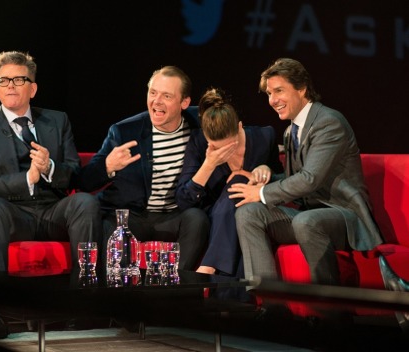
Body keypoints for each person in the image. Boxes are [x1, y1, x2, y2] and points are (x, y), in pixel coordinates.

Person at [0, 51, 102, 338]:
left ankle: (83, 306)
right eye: (4, 80)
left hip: (52, 211)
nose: (10, 85)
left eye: (18, 79)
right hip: (10, 215)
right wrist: (25, 178)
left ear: (33, 88)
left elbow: (76, 174)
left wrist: (50, 167)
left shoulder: (57, 121)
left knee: (85, 202)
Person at [229, 58, 383, 286]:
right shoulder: (291, 130)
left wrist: (263, 193)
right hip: (307, 214)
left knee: (306, 221)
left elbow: (310, 179)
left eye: (279, 91)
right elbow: (295, 179)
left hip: (344, 215)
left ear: (301, 88)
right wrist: (265, 176)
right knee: (248, 213)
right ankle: (271, 304)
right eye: (269, 94)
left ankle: (331, 314)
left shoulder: (329, 122)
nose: (273, 100)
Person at [79, 66, 209, 271]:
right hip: (131, 216)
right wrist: (108, 167)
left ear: (184, 102)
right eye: (153, 93)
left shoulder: (201, 124)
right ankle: (113, 293)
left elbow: (237, 129)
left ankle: (178, 288)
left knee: (197, 219)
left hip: (174, 216)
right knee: (111, 227)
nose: (156, 101)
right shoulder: (124, 131)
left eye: (166, 95)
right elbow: (85, 181)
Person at [176, 87, 283, 277]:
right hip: (215, 215)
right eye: (217, 148)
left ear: (240, 127)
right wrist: (209, 164)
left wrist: (265, 171)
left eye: (230, 145)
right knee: (240, 213)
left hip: (252, 209)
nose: (225, 153)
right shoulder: (198, 143)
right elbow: (184, 201)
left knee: (242, 185)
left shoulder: (264, 137)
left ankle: (210, 267)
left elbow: (282, 179)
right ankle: (236, 300)